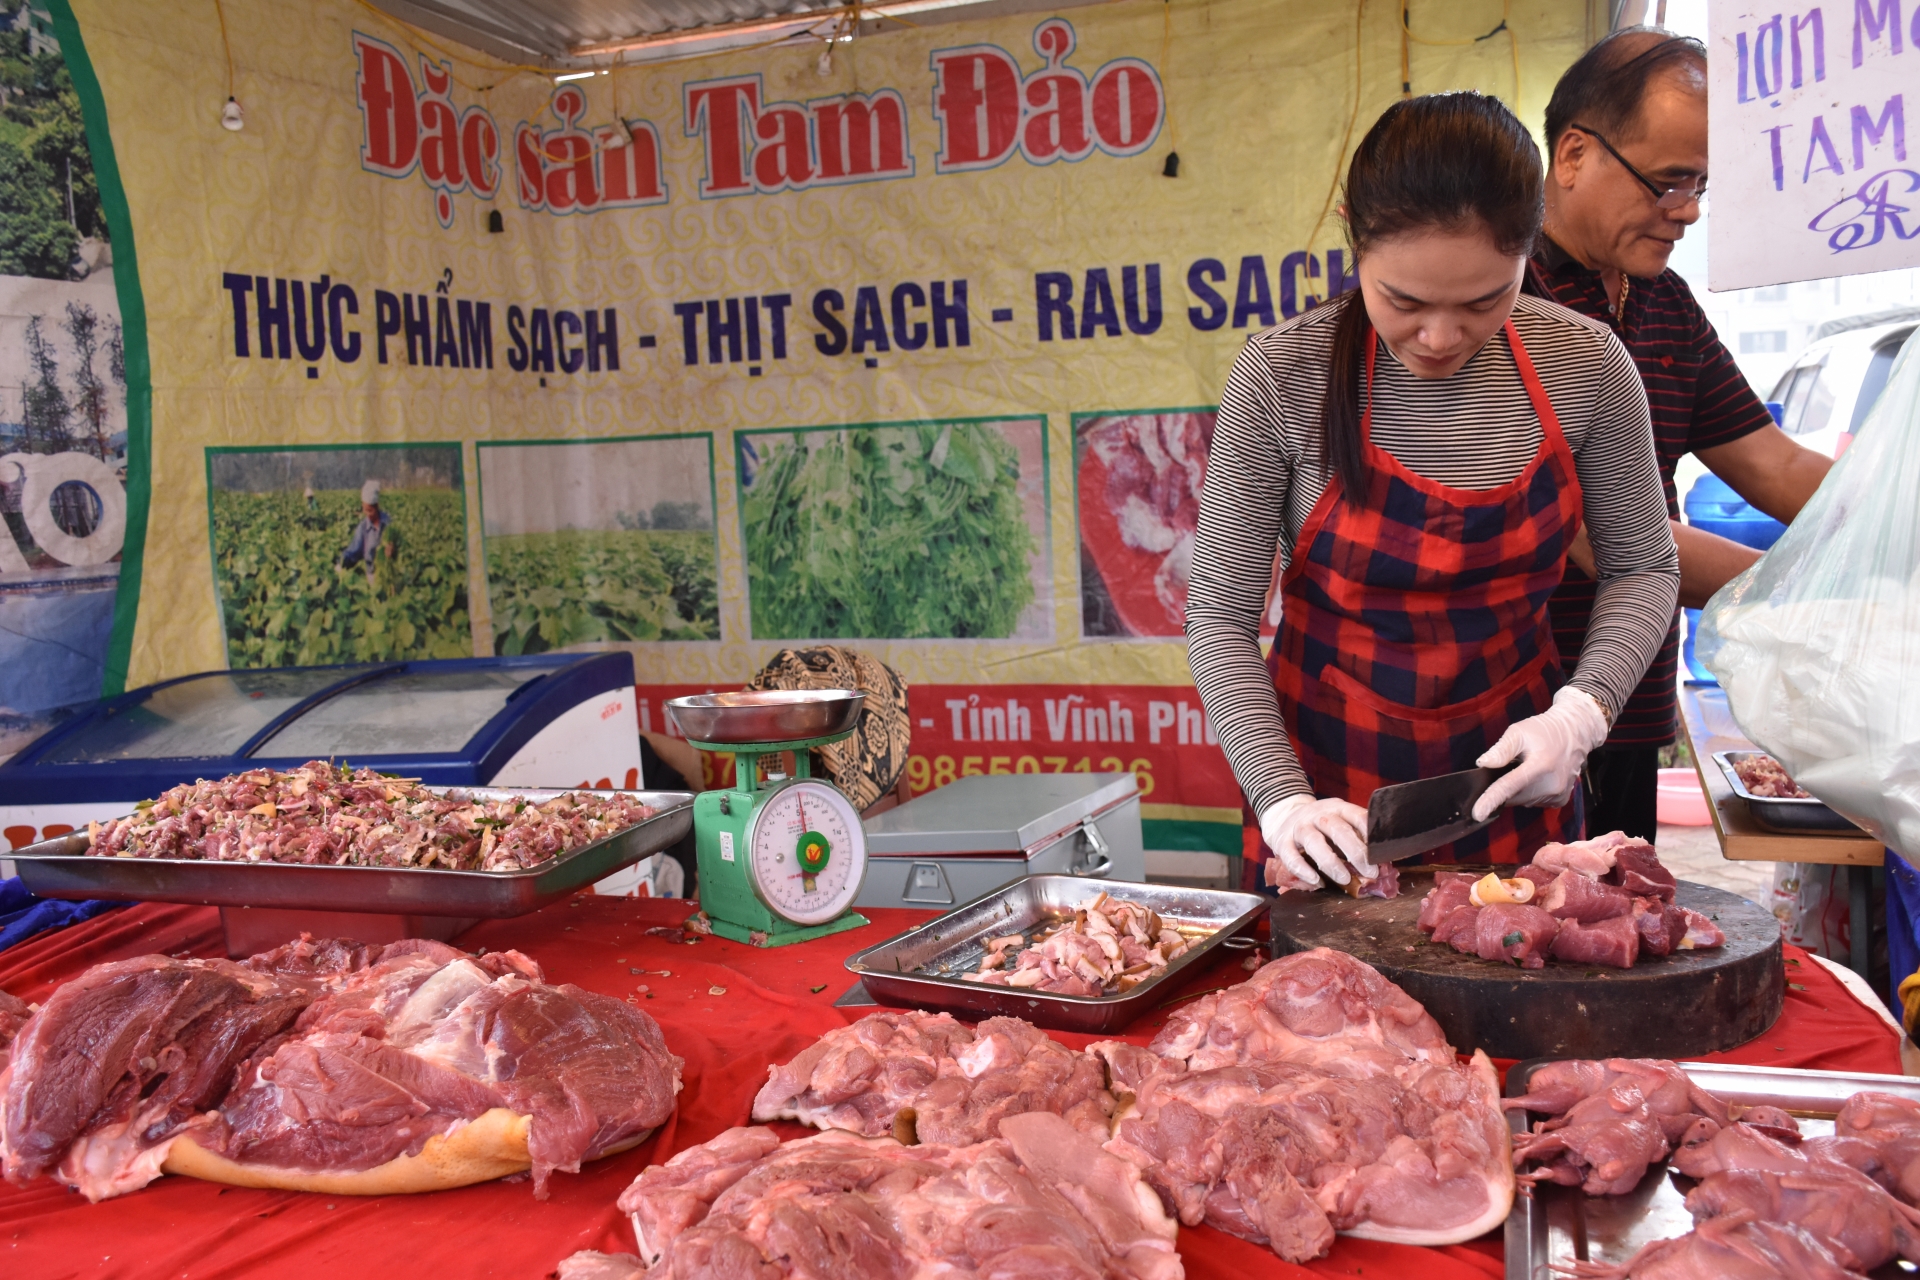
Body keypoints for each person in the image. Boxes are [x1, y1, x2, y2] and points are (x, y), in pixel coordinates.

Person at [1187, 92, 1680, 890]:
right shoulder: (1283, 374)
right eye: (1404, 302)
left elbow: (1644, 569)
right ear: (1354, 236)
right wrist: (1283, 803)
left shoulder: (1588, 366)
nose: (1441, 337)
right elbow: (1219, 616)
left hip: (1516, 780)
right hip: (1329, 789)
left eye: (1485, 300)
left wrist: (1580, 716)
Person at [1527, 29, 1834, 842]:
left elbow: (1773, 462)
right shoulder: (1496, 296)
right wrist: (1814, 598)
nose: (1689, 210)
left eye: (1699, 183)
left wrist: (1884, 533)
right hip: (1526, 719)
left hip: (1630, 708)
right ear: (1573, 154)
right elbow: (1598, 538)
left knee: (1614, 933)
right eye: (1667, 182)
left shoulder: (1666, 304)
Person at [338, 479, 397, 585]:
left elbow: (401, 547)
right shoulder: (363, 527)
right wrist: (340, 564)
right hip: (372, 576)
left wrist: (393, 549)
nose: (368, 514)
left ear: (377, 506)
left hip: (391, 577)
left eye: (370, 510)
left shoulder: (388, 523)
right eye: (365, 510)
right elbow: (353, 551)